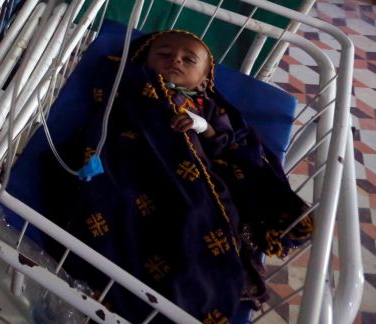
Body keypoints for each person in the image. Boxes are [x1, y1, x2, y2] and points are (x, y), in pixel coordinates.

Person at [40, 29, 313, 322]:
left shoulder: (205, 106)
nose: (176, 61)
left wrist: (203, 127)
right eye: (164, 54)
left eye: (189, 59)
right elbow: (107, 113)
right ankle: (114, 283)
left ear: (205, 78)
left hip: (188, 175)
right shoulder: (130, 85)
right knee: (115, 204)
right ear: (144, 58)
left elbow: (227, 142)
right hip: (133, 162)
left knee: (198, 216)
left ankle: (188, 288)